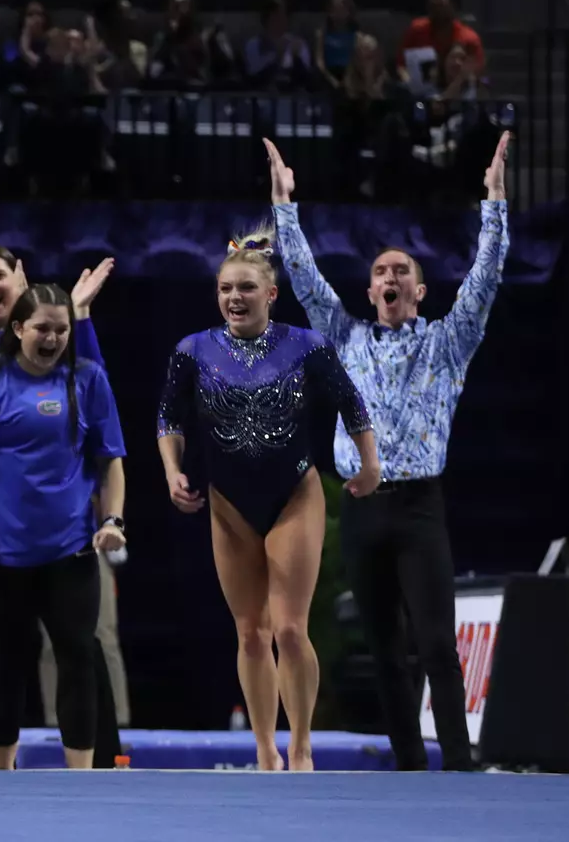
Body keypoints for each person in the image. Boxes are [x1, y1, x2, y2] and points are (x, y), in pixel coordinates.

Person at [265, 134, 510, 772]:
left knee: (434, 643)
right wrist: (284, 206)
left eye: (403, 271)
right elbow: (305, 280)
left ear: (420, 291)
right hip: (364, 506)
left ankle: (458, 763)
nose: (391, 277)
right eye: (381, 272)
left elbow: (485, 279)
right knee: (381, 643)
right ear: (371, 290)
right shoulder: (343, 337)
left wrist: (494, 203)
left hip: (420, 509)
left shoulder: (449, 344)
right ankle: (408, 764)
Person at [158, 228, 382, 770]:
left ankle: (301, 745)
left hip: (294, 496)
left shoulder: (307, 346)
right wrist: (171, 471)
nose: (234, 298)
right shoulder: (192, 351)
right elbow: (169, 417)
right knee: (251, 633)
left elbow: (353, 406)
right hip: (229, 503)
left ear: (270, 294)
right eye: (225, 289)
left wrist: (370, 462)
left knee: (288, 627)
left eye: (245, 289)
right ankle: (264, 750)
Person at [0, 245, 120, 764]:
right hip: (0, 547)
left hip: (70, 544)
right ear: (19, 327)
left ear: (19, 275)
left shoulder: (82, 372)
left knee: (81, 654)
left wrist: (111, 519)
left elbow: (104, 439)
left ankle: (92, 770)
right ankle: (0, 777)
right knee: (4, 660)